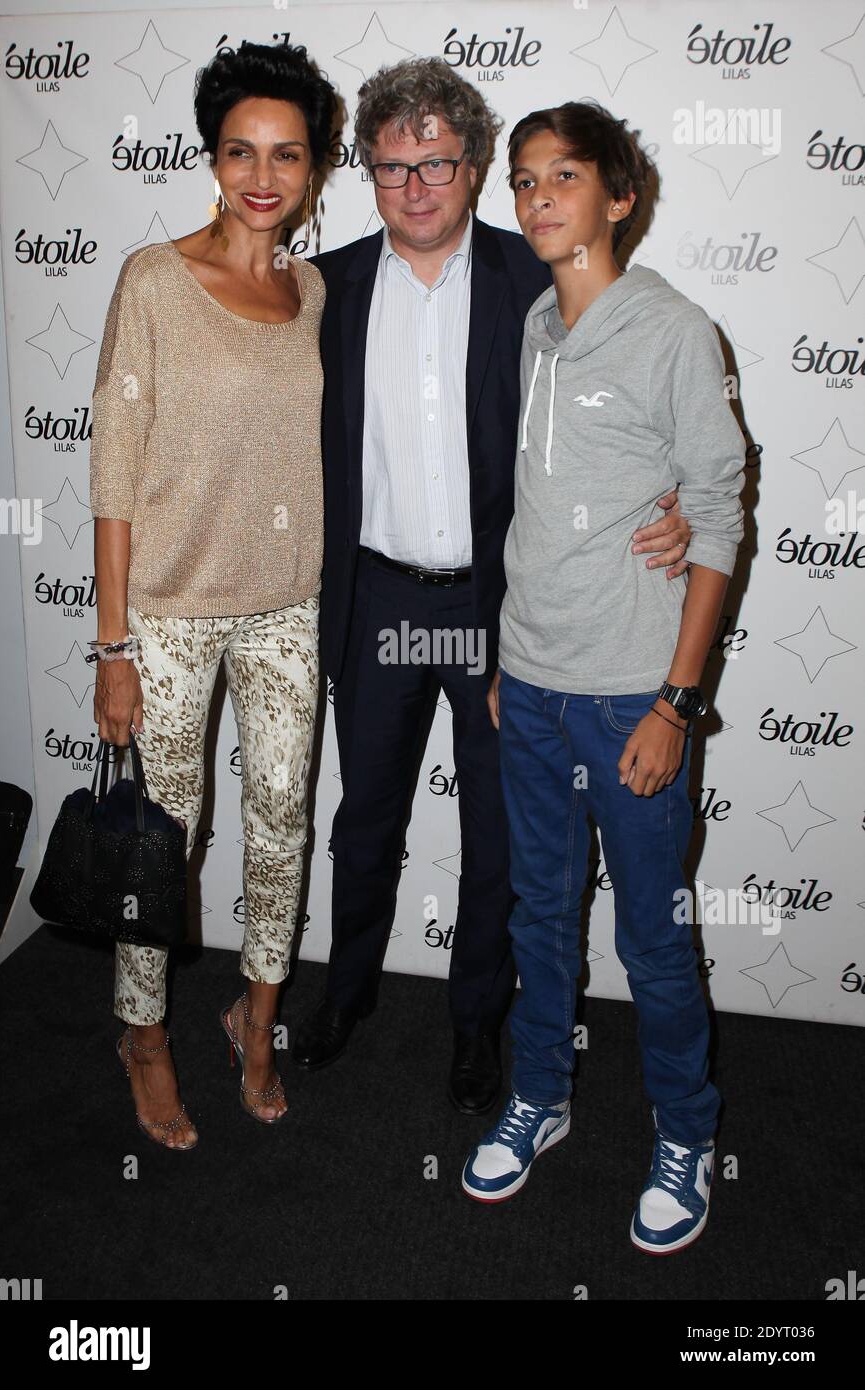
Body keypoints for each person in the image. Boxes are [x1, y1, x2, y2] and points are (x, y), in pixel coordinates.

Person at [292, 59, 693, 1116]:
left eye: (435, 161)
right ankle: (346, 992)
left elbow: (626, 411)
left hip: (495, 612)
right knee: (364, 816)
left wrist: (681, 500)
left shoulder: (536, 275)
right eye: (390, 165)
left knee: (498, 839)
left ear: (472, 170)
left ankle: (476, 1023)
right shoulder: (325, 289)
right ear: (365, 175)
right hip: (376, 603)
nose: (413, 184)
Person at [461, 100, 745, 1254]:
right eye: (521, 180)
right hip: (527, 683)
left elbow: (717, 517)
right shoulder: (533, 320)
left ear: (616, 196)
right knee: (537, 916)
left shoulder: (675, 330)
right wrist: (505, 655)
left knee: (652, 935)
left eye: (560, 178)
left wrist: (677, 702)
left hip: (634, 693)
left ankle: (684, 1131)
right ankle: (541, 1095)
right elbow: (538, 514)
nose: (534, 199)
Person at [89, 40, 336, 1147]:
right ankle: (142, 1034)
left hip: (287, 604)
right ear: (212, 156)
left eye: (286, 153)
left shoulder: (313, 288)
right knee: (164, 840)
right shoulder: (153, 277)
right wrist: (113, 646)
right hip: (170, 616)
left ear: (315, 167)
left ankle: (257, 1015)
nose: (262, 175)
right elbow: (112, 462)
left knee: (282, 824)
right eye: (240, 150)